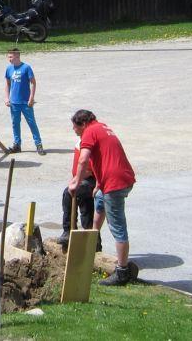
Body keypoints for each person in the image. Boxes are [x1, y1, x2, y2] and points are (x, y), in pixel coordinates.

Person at [68, 109, 137, 285]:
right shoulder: (102, 127)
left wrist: (75, 182)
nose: (74, 131)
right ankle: (91, 245)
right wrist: (98, 183)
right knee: (99, 202)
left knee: (117, 225)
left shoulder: (89, 132)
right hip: (117, 178)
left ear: (82, 124)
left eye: (75, 128)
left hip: (115, 182)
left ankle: (122, 271)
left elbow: (83, 160)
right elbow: (105, 157)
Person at [58, 134, 102, 251]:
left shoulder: (91, 143)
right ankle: (94, 244)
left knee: (68, 193)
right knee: (87, 210)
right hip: (83, 179)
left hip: (93, 180)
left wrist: (78, 180)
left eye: (75, 126)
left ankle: (68, 230)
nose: (73, 129)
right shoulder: (81, 143)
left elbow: (91, 168)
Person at [5, 48, 44, 155]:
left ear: (17, 56)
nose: (9, 59)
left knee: (32, 123)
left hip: (26, 102)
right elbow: (8, 84)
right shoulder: (9, 69)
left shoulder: (26, 68)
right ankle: (17, 145)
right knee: (15, 123)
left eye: (11, 57)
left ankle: (38, 144)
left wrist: (31, 97)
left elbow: (33, 83)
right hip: (14, 103)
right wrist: (7, 98)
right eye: (8, 57)